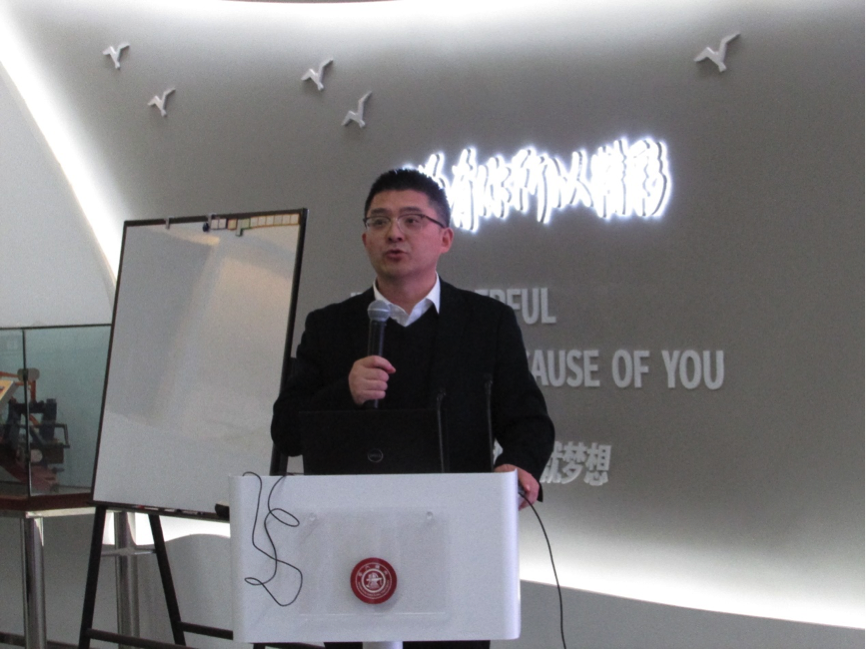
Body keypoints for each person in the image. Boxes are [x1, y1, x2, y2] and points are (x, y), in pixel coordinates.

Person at [270, 168, 555, 650]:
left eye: (411, 220)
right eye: (379, 221)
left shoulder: (487, 323)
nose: (394, 233)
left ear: (445, 238)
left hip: (453, 536)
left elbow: (528, 420)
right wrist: (344, 392)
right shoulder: (329, 326)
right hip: (353, 543)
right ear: (365, 239)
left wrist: (518, 464)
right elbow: (286, 431)